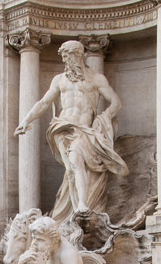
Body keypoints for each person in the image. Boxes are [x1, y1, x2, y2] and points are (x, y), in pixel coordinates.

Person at [15, 39, 127, 223]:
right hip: (61, 128)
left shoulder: (96, 79)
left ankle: (82, 204)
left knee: (75, 160)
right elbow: (44, 102)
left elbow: (115, 102)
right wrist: (26, 120)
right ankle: (76, 208)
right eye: (65, 58)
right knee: (71, 169)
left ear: (80, 56)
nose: (67, 61)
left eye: (70, 57)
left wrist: (104, 118)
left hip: (83, 129)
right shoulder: (59, 80)